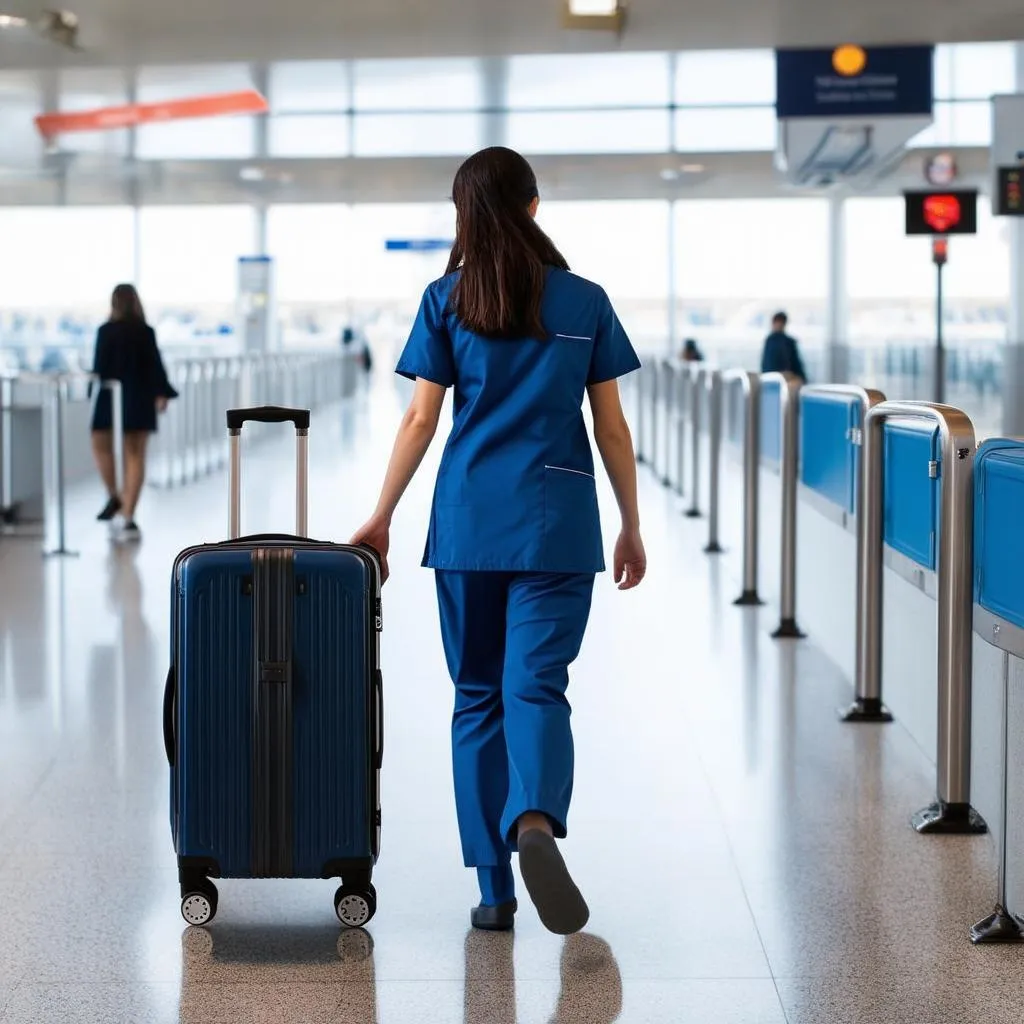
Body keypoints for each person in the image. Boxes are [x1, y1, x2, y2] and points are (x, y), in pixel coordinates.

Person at [350, 147, 646, 936]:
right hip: (557, 520)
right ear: (534, 207)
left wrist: (381, 514)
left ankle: (492, 888)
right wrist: (631, 522)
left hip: (469, 521)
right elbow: (610, 427)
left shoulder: (447, 299)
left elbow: (420, 419)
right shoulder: (583, 302)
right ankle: (536, 820)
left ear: (464, 215)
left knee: (476, 695)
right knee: (537, 685)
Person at [90, 284, 177, 540]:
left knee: (100, 445)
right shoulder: (145, 331)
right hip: (139, 397)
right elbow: (155, 366)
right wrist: (161, 394)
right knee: (135, 455)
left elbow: (99, 368)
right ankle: (128, 516)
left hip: (109, 397)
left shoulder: (105, 331)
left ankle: (115, 497)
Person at [760, 311, 807, 382]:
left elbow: (796, 363)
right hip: (777, 378)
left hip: (786, 378)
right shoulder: (770, 341)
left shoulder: (789, 342)